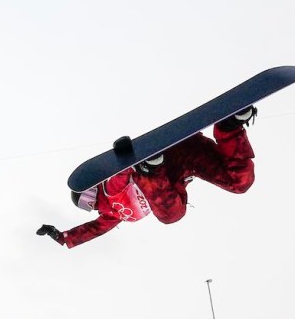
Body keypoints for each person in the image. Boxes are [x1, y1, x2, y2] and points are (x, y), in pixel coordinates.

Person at [37, 106, 259, 248]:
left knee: (170, 216)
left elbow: (120, 176)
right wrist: (63, 237)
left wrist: (127, 157)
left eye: (87, 201)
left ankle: (151, 167)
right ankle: (230, 127)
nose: (93, 207)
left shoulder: (110, 190)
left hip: (150, 167)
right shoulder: (112, 215)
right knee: (239, 183)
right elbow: (94, 229)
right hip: (188, 158)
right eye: (87, 208)